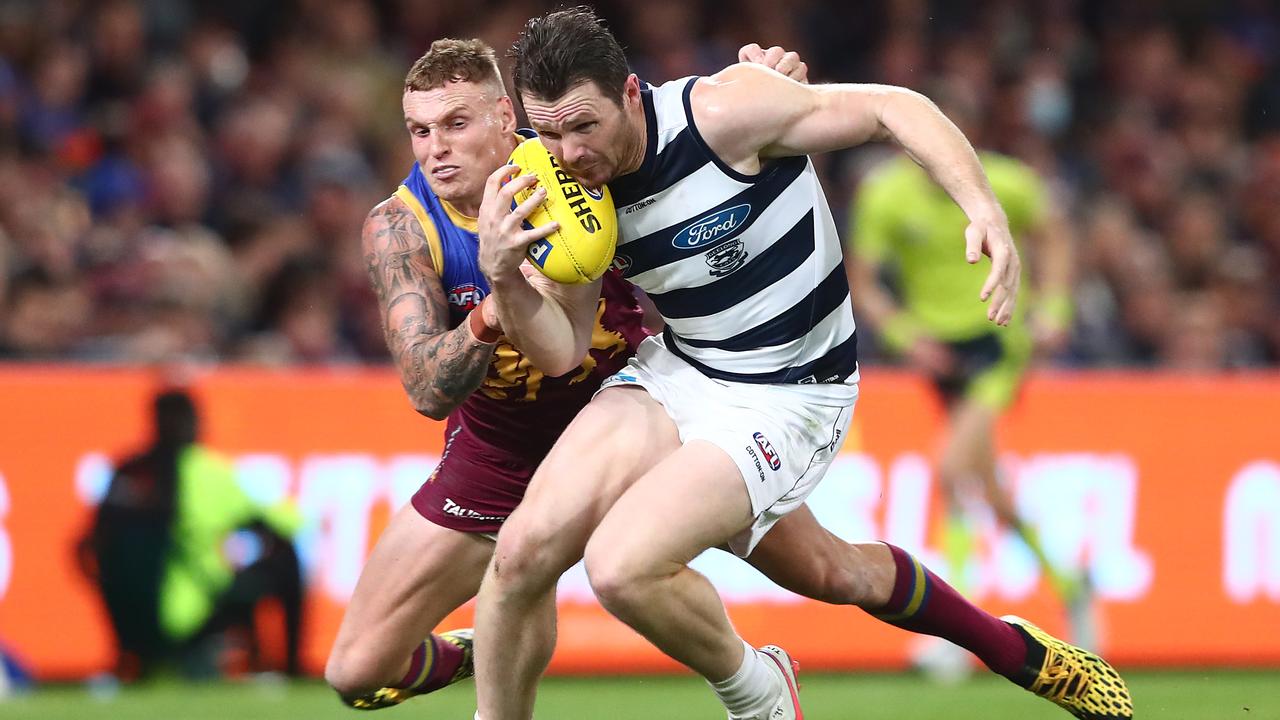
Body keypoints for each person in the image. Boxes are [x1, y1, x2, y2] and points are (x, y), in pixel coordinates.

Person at [472, 8, 1130, 720]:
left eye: (583, 126)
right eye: (548, 131)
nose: (567, 153)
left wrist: (985, 209)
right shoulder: (562, 193)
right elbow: (565, 349)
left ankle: (758, 696)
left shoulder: (725, 114)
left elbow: (890, 106)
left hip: (791, 392)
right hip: (682, 371)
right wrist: (505, 278)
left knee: (622, 568)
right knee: (523, 553)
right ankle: (1012, 649)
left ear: (631, 93)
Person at [324, 37, 847, 711]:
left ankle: (1000, 654)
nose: (435, 149)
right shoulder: (401, 225)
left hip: (621, 417)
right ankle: (497, 640)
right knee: (355, 673)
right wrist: (495, 301)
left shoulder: (571, 159)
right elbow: (426, 391)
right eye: (419, 131)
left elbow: (667, 134)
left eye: (455, 124)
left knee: (830, 571)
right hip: (499, 451)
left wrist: (767, 87)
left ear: (504, 115)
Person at [847, 87, 1089, 657]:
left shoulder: (1006, 183)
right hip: (941, 353)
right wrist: (908, 336)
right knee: (985, 488)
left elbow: (1056, 236)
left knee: (951, 468)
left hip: (999, 340)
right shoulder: (885, 195)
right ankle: (1074, 588)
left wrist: (1054, 307)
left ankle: (957, 632)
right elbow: (864, 279)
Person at [80, 389, 303, 679]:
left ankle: (130, 655)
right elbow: (286, 524)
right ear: (195, 423)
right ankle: (285, 667)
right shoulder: (206, 471)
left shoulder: (130, 472)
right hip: (203, 603)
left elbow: (87, 546)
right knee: (287, 558)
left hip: (140, 612)